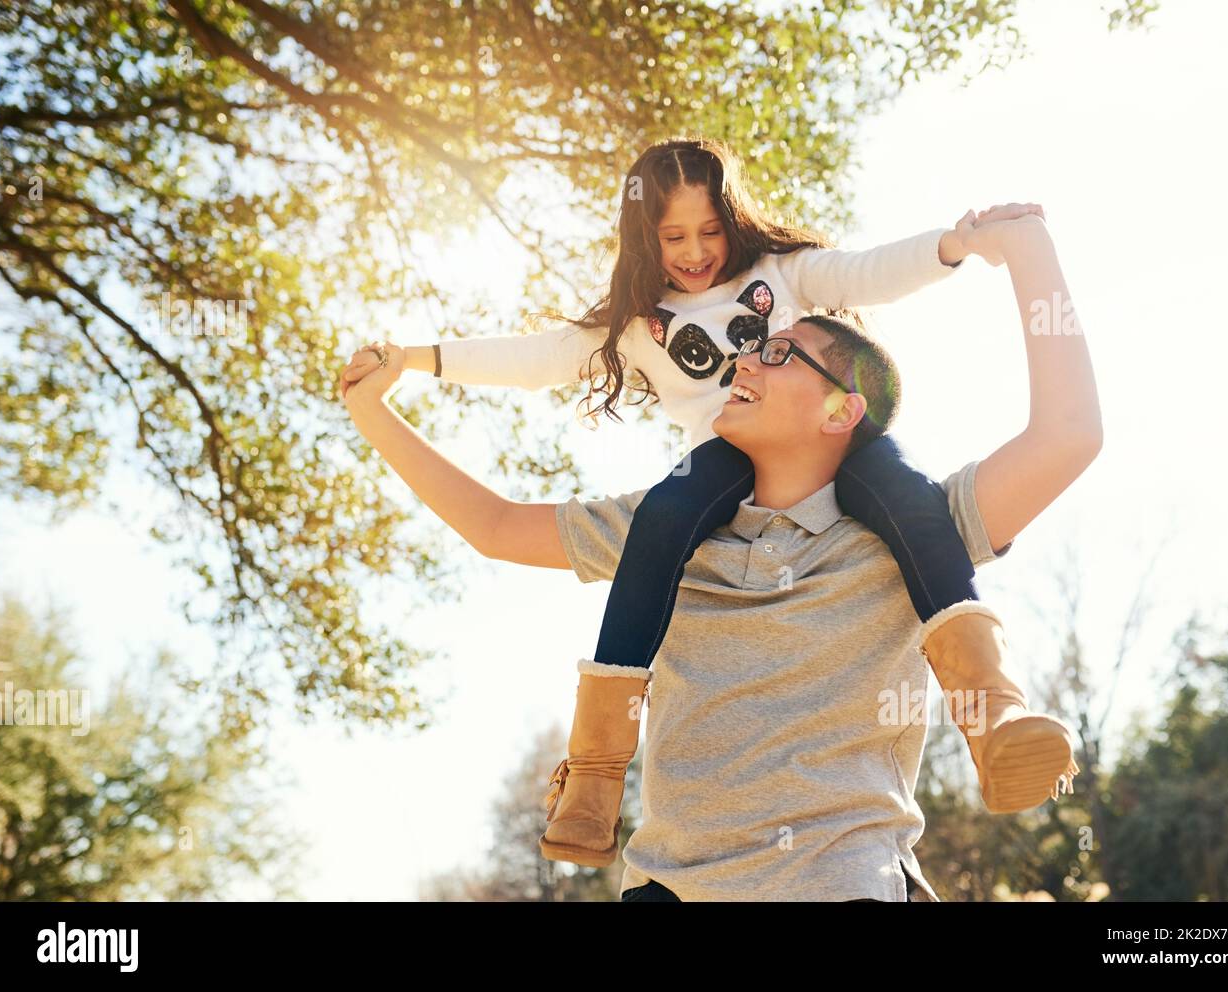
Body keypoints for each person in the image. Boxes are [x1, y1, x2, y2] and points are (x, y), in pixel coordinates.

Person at [339, 139, 1078, 871]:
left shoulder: (781, 279)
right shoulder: (637, 333)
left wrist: (962, 242)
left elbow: (871, 273)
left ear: (734, 221)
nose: (695, 252)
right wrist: (411, 365)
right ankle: (595, 771)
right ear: (645, 240)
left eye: (709, 230)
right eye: (673, 237)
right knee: (665, 517)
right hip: (712, 476)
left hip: (851, 874)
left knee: (909, 502)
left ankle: (992, 713)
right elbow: (532, 372)